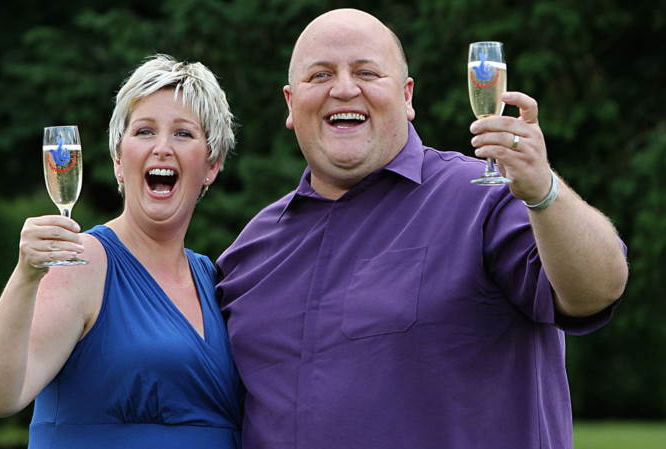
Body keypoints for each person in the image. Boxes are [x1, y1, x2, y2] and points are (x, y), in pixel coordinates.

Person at [216, 8, 628, 449]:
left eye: (367, 72)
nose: (344, 88)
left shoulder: (482, 200)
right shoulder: (250, 253)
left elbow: (597, 289)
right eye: (320, 76)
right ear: (290, 104)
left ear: (407, 96)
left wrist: (543, 190)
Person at [0, 54, 243, 448]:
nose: (162, 148)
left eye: (183, 134)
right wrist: (26, 275)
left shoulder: (217, 278)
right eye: (145, 131)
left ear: (211, 165)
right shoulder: (86, 262)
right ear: (118, 159)